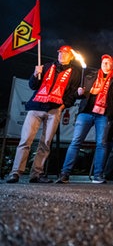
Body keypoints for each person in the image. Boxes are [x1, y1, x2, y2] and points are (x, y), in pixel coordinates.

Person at [7, 45, 81, 184]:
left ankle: (36, 174)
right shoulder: (47, 66)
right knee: (25, 140)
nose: (61, 55)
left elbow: (72, 94)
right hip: (36, 107)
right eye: (59, 52)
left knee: (45, 143)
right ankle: (15, 173)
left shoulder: (75, 73)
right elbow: (33, 86)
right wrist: (35, 74)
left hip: (54, 110)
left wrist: (63, 106)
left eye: (65, 53)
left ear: (70, 56)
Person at [56, 54, 113, 184]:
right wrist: (79, 93)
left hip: (104, 115)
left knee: (101, 143)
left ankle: (98, 175)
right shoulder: (90, 75)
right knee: (76, 141)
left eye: (108, 63)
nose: (105, 64)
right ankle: (65, 173)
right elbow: (78, 95)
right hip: (86, 113)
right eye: (103, 62)